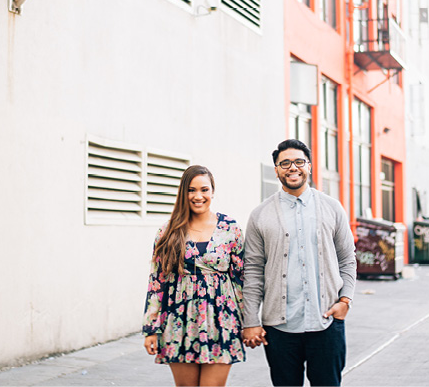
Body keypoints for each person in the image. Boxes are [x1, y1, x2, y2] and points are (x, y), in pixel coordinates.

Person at [242, 139, 356, 387]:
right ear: (276, 170)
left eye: (298, 162)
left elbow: (347, 258)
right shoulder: (260, 214)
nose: (292, 168)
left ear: (310, 166)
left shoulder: (332, 208)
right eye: (285, 163)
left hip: (326, 322)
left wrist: (345, 300)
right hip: (280, 328)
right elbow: (252, 270)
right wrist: (250, 320)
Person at [142, 165, 245, 387]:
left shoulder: (230, 228)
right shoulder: (168, 231)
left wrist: (248, 322)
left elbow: (240, 280)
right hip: (179, 321)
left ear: (213, 192)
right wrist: (151, 329)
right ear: (183, 193)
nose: (198, 196)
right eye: (191, 190)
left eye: (204, 190)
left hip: (221, 320)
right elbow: (156, 282)